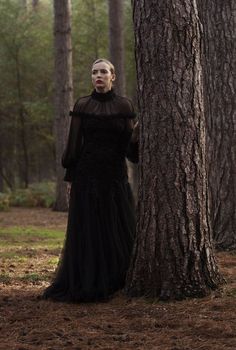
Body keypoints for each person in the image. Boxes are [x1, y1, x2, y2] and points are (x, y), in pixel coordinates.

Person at [42, 58, 139, 303]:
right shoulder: (82, 105)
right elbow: (74, 147)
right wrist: (70, 176)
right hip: (87, 176)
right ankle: (89, 281)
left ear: (112, 76)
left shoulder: (124, 105)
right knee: (89, 230)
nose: (98, 75)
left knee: (115, 227)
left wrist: (138, 135)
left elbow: (129, 149)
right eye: (95, 72)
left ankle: (117, 280)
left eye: (103, 71)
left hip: (115, 176)